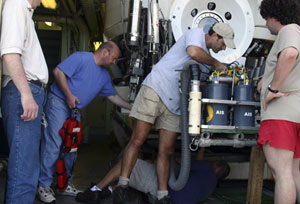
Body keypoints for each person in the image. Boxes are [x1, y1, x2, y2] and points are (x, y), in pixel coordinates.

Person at [113, 22, 236, 204]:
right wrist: (217, 64)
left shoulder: (207, 62)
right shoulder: (195, 35)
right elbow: (193, 52)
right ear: (216, 36)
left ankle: (163, 195)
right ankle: (122, 186)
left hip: (176, 104)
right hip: (156, 89)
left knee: (167, 150)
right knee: (138, 139)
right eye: (224, 43)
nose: (224, 48)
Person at [37, 41, 132, 203]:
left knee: (71, 148)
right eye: (114, 58)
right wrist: (68, 95)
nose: (114, 62)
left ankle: (63, 185)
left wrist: (132, 107)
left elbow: (113, 96)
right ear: (104, 52)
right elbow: (58, 72)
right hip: (59, 102)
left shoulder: (104, 76)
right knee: (54, 144)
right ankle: (43, 186)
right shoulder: (81, 58)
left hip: (74, 110)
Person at [0, 0, 48, 203]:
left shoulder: (24, 10)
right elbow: (10, 53)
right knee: (24, 169)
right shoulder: (17, 4)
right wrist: (26, 94)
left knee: (25, 166)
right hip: (23, 91)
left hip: (26, 91)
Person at [256, 0, 300, 203]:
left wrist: (272, 89)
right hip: (295, 113)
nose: (266, 25)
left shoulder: (289, 30)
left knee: (281, 173)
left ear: (274, 16)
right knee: (293, 173)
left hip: (281, 114)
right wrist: (267, 80)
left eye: (266, 19)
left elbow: (290, 54)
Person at [75, 158, 230, 204]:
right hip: (170, 196)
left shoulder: (206, 168)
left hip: (165, 194)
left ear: (217, 166)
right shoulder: (211, 186)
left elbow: (179, 160)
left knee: (129, 164)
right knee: (133, 176)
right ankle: (107, 191)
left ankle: (95, 191)